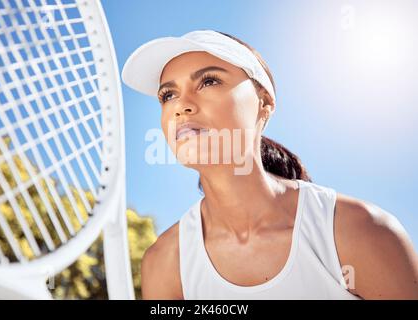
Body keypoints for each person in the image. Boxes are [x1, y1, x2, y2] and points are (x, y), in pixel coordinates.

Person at [122, 29, 418, 299]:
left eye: (209, 81)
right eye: (167, 94)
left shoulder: (360, 231)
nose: (180, 106)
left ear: (263, 102)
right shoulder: (164, 262)